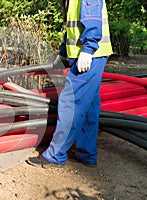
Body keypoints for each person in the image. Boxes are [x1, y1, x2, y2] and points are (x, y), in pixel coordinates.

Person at [27, 0, 113, 167]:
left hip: (90, 55)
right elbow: (72, 27)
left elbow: (92, 20)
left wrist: (88, 50)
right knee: (88, 107)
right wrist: (63, 54)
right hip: (89, 54)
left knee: (71, 102)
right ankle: (87, 154)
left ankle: (55, 154)